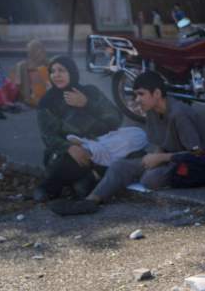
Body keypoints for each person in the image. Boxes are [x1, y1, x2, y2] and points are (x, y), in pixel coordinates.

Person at [49, 71, 205, 215]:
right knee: (119, 166)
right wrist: (156, 155)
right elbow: (162, 142)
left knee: (150, 178)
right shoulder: (153, 112)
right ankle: (90, 202)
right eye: (135, 95)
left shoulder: (179, 114)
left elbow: (198, 153)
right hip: (167, 159)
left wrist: (160, 158)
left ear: (156, 93)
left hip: (189, 164)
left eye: (141, 94)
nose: (137, 100)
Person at [34, 55, 135, 202]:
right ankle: (48, 188)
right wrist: (69, 147)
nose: (56, 75)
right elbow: (48, 136)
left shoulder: (90, 92)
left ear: (72, 72)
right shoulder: (47, 102)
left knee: (133, 138)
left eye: (61, 70)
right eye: (52, 71)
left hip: (100, 145)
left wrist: (87, 104)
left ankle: (86, 179)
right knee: (79, 175)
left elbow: (115, 119)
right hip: (66, 153)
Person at [11, 39, 50, 107]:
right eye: (31, 50)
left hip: (39, 98)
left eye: (39, 50)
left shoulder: (50, 65)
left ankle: (29, 99)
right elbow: (17, 85)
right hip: (32, 97)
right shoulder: (23, 66)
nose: (38, 53)